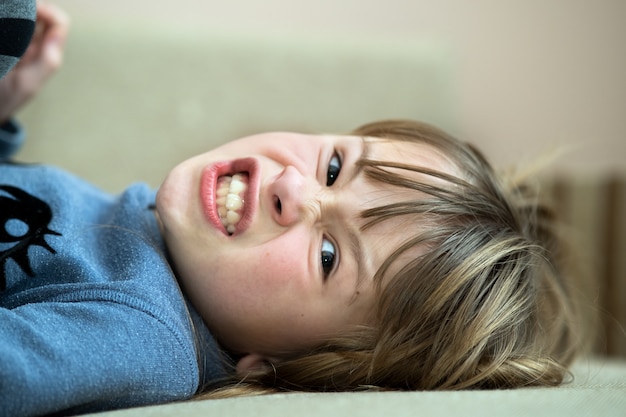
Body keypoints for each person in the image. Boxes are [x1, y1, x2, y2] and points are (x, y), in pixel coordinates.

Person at [1, 3, 581, 416]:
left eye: (329, 256)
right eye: (333, 168)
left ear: (280, 364)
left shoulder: (143, 333)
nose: (296, 191)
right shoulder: (143, 233)